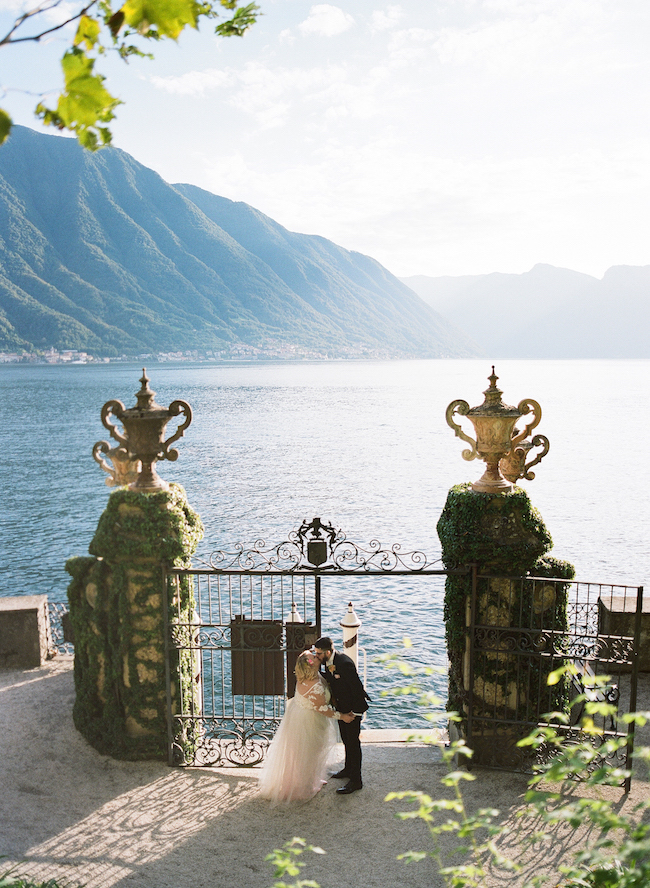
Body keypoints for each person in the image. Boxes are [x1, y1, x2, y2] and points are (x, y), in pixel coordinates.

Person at [258, 651, 355, 805]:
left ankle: (313, 778)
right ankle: (307, 786)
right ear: (310, 666)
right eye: (314, 657)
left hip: (302, 714)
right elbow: (322, 709)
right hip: (308, 721)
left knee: (313, 750)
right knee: (309, 752)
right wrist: (342, 716)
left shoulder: (313, 676)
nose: (317, 657)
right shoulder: (314, 686)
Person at [314, 636, 370, 795]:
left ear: (328, 652)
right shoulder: (327, 662)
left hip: (352, 710)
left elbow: (357, 690)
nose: (316, 655)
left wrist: (355, 713)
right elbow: (331, 679)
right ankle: (347, 769)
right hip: (342, 708)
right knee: (346, 740)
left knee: (353, 743)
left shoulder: (344, 664)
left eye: (318, 653)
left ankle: (356, 780)